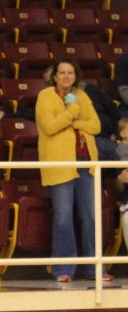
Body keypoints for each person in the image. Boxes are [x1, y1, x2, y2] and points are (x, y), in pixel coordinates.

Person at [36, 58, 112, 283]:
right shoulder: (45, 97)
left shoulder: (83, 96)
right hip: (60, 164)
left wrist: (73, 122)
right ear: (54, 76)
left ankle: (95, 268)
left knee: (90, 217)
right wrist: (72, 113)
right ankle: (63, 269)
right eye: (62, 72)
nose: (66, 76)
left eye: (70, 72)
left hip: (86, 163)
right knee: (63, 218)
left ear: (75, 76)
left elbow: (96, 126)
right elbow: (49, 127)